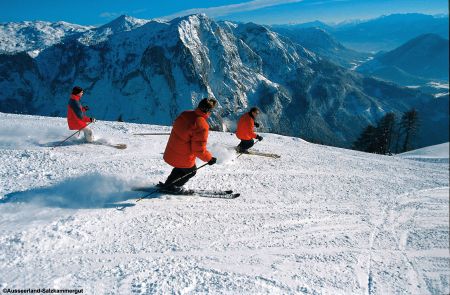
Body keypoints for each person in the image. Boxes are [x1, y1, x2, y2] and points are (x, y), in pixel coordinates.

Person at [160, 98, 218, 193]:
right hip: (183, 155)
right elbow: (198, 150)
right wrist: (209, 159)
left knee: (181, 167)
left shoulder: (185, 114)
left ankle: (169, 184)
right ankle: (172, 187)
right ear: (208, 111)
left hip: (172, 151)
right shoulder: (202, 125)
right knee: (191, 170)